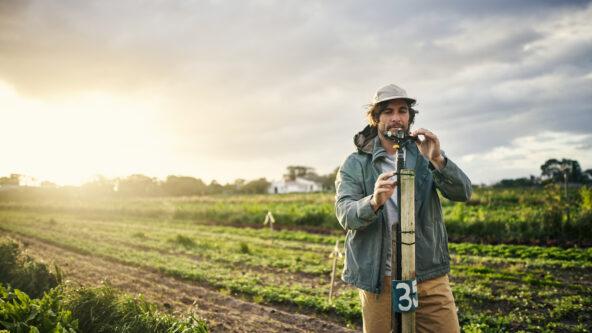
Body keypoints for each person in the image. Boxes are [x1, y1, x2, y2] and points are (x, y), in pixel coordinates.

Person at [335, 84, 472, 333]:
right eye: (388, 111)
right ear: (376, 118)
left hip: (427, 275)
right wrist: (373, 201)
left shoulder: (424, 154)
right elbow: (345, 214)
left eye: (402, 111)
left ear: (410, 117)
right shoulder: (355, 163)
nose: (396, 118)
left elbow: (463, 193)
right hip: (379, 279)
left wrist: (438, 160)